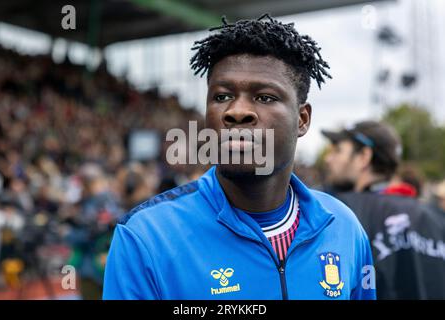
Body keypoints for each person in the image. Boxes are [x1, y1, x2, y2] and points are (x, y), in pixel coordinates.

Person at [103, 14, 376, 300]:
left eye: (265, 97)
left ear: (302, 119)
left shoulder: (344, 228)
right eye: (221, 96)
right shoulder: (146, 237)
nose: (236, 111)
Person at [322, 121, 445, 299]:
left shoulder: (342, 212)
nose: (328, 158)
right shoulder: (436, 216)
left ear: (364, 156)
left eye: (337, 150)